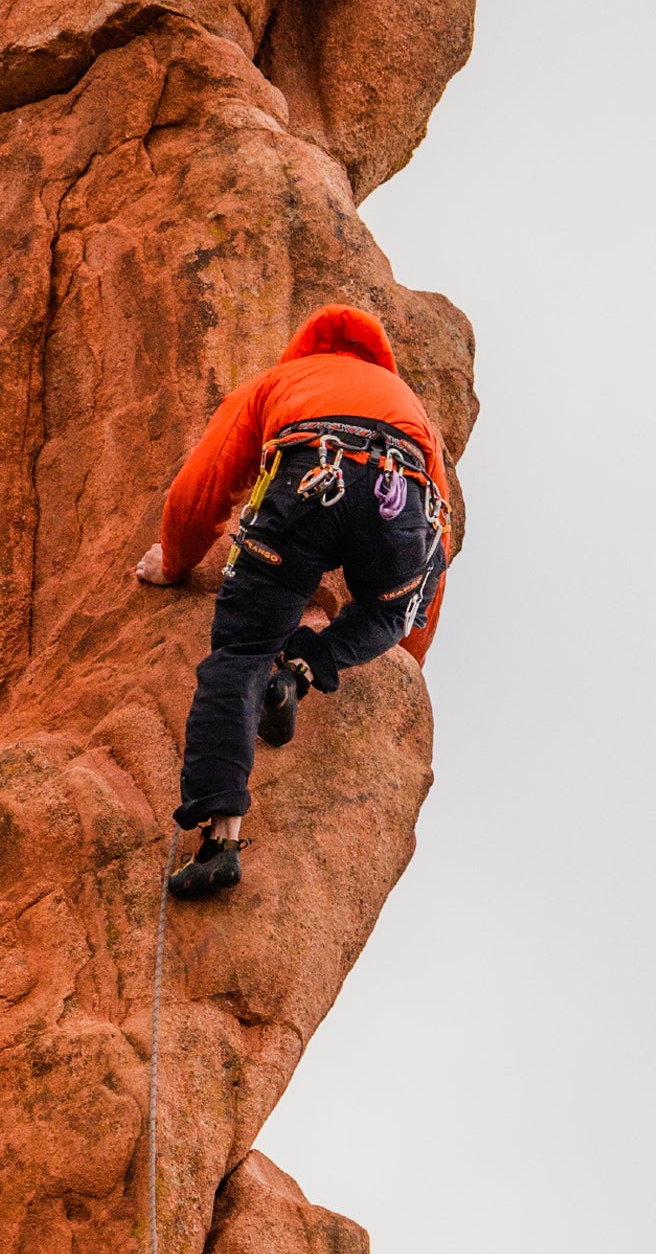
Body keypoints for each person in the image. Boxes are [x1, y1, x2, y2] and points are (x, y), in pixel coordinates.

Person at [134, 303, 452, 898]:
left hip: (308, 479)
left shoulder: (281, 381)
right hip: (399, 493)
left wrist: (174, 563)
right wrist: (409, 648)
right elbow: (438, 540)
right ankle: (307, 667)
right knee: (387, 605)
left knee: (240, 653)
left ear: (305, 348)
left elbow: (206, 483)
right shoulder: (411, 409)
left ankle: (220, 840)